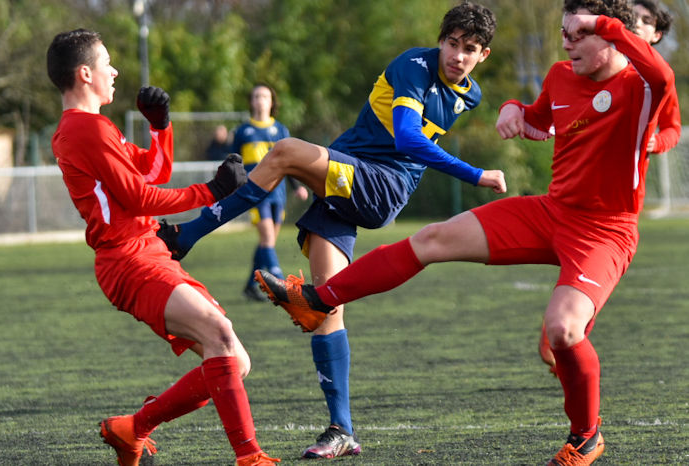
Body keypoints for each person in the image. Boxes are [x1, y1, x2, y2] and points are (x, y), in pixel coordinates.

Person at [255, 1, 676, 464]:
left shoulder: (640, 86)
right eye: (564, 31)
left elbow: (664, 78)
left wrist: (605, 24)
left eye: (578, 33)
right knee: (432, 240)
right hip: (552, 212)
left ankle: (586, 435)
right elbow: (538, 120)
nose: (566, 42)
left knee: (562, 329)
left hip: (605, 231)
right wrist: (514, 111)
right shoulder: (559, 74)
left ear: (609, 34)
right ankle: (318, 298)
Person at [158, 2, 504, 459]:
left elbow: (405, 143)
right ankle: (341, 429)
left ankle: (188, 234)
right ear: (440, 41)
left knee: (284, 151)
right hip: (349, 182)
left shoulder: (469, 92)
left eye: (470, 49)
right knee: (327, 302)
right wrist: (476, 171)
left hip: (380, 185)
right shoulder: (414, 66)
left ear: (484, 56)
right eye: (452, 43)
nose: (458, 55)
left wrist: (476, 172)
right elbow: (406, 133)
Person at [47, 29, 279, 466]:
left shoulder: (94, 128)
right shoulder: (86, 130)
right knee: (221, 335)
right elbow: (138, 198)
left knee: (234, 360)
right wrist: (211, 192)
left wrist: (161, 127)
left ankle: (131, 429)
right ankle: (251, 458)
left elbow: (153, 170)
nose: (114, 71)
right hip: (128, 260)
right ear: (84, 73)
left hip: (145, 251)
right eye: (106, 63)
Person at [537, 0, 682, 376]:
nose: (636, 26)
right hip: (571, 204)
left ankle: (571, 326)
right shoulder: (590, 69)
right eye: (632, 19)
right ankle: (567, 324)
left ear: (656, 34)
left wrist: (659, 142)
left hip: (616, 206)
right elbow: (550, 112)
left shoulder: (648, 81)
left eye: (645, 22)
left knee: (591, 272)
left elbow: (671, 126)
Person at [162, 84, 309, 302]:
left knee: (267, 242)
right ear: (251, 102)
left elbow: (287, 163)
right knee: (267, 239)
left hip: (278, 193)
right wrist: (218, 143)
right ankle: (280, 282)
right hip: (254, 193)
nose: (260, 100)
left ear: (272, 102)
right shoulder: (243, 131)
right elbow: (232, 160)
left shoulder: (281, 130)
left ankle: (251, 284)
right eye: (257, 96)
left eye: (265, 96)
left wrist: (297, 187)